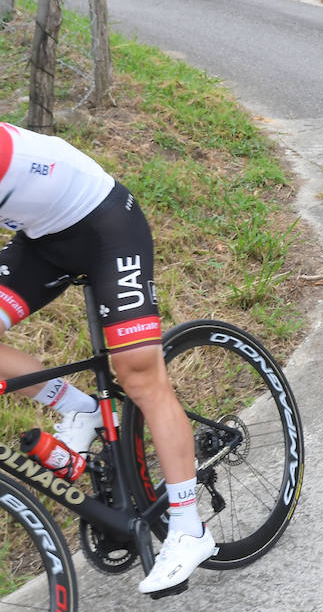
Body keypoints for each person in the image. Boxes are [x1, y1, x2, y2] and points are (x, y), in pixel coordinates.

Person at [0, 122, 218, 591]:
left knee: (138, 375)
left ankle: (188, 528)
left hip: (107, 227)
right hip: (42, 241)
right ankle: (81, 410)